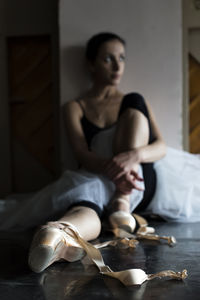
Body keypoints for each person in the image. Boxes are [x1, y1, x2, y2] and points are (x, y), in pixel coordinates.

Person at [27, 32, 167, 273]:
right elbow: (81, 153)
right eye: (108, 59)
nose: (117, 66)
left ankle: (120, 203)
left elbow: (161, 146)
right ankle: (58, 233)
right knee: (87, 203)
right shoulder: (75, 106)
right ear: (91, 64)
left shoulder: (134, 103)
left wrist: (132, 157)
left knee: (135, 100)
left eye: (121, 58)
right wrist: (114, 170)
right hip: (99, 174)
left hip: (138, 179)